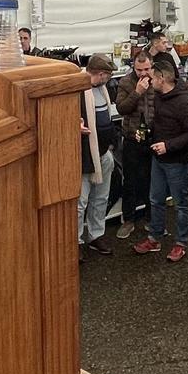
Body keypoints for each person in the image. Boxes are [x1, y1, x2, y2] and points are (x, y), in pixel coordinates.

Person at [134, 58, 188, 263]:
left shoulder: (184, 102)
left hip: (178, 161)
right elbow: (159, 124)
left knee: (181, 203)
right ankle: (155, 237)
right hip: (159, 159)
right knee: (155, 200)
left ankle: (181, 243)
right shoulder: (158, 96)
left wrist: (168, 145)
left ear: (162, 78)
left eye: (152, 77)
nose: (149, 80)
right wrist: (146, 134)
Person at [112, 47, 156, 240]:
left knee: (151, 180)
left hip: (153, 138)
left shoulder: (158, 80)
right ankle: (128, 219)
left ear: (152, 67)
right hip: (132, 138)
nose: (143, 74)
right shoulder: (125, 82)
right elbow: (121, 108)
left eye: (146, 69)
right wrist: (137, 92)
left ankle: (150, 217)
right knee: (129, 181)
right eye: (139, 70)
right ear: (134, 68)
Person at [79, 54, 120, 257]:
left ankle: (96, 235)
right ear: (101, 74)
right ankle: (76, 241)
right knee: (81, 202)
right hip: (85, 157)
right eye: (108, 74)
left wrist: (110, 145)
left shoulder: (102, 89)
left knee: (101, 198)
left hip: (103, 153)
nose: (109, 78)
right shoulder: (78, 90)